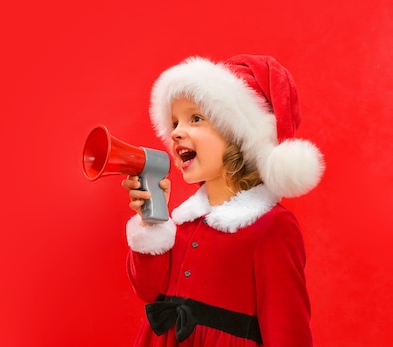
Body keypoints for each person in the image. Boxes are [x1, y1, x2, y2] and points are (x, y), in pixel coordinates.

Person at [121, 54, 325, 346]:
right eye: (175, 122)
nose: (176, 131)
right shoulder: (181, 221)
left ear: (238, 135)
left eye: (196, 118)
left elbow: (288, 330)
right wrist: (152, 222)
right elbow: (147, 289)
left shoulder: (273, 227)